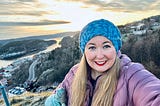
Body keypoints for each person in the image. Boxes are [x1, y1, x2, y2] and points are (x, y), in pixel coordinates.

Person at [45, 19, 160, 106]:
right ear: (84, 51)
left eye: (106, 46)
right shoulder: (74, 73)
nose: (100, 55)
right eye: (92, 47)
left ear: (116, 48)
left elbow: (153, 94)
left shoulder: (132, 74)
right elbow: (58, 94)